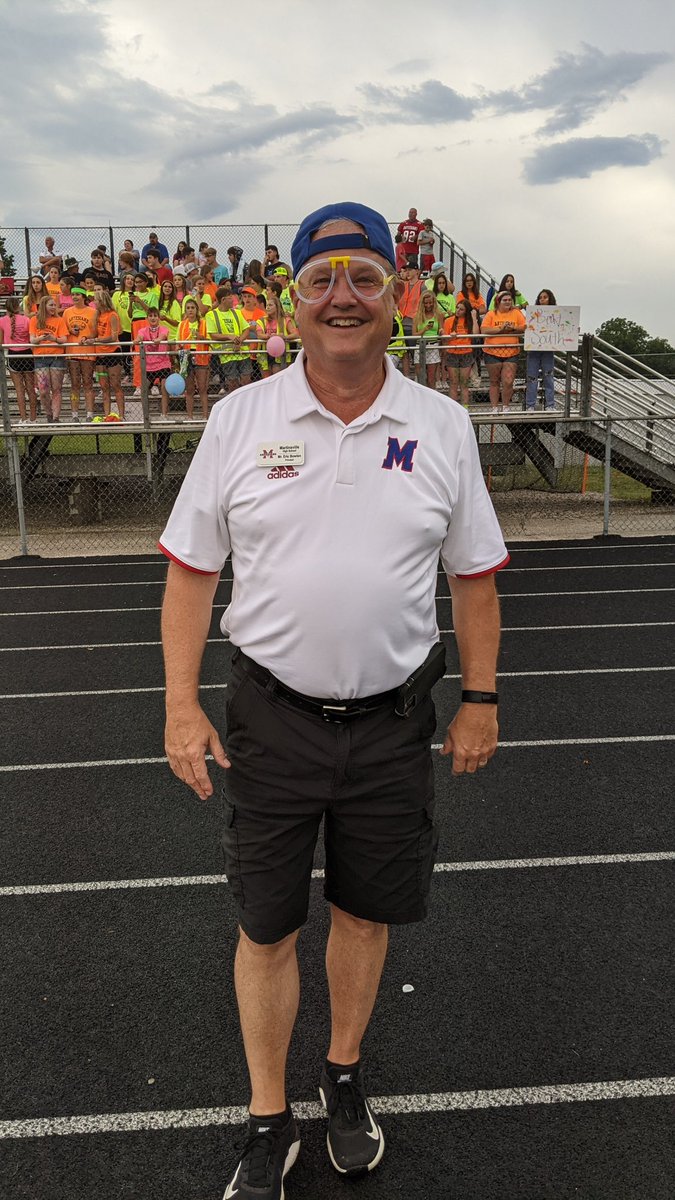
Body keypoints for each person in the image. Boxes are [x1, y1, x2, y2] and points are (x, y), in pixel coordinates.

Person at [159, 200, 507, 1199]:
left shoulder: (441, 424)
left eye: (363, 278)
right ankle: (268, 1116)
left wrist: (478, 698)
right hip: (271, 720)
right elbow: (191, 575)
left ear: (397, 297)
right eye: (322, 280)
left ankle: (343, 1077)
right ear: (293, 301)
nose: (341, 297)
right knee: (267, 925)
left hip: (396, 721)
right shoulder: (240, 418)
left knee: (363, 912)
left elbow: (474, 578)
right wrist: (182, 706)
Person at [481, 291, 526, 411]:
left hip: (511, 352)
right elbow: (484, 330)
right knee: (494, 381)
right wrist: (500, 329)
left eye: (509, 300)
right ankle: (494, 407)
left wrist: (513, 328)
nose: (507, 302)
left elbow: (525, 327)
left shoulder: (516, 313)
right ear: (498, 302)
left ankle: (506, 406)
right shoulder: (491, 314)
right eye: (504, 300)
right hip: (492, 352)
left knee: (508, 380)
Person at [205, 286, 252, 394]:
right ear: (223, 300)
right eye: (230, 298)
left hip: (242, 352)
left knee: (247, 380)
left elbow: (246, 329)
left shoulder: (237, 312)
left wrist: (239, 340)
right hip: (227, 355)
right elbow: (213, 335)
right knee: (232, 382)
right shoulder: (211, 315)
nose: (233, 300)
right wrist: (229, 336)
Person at [29, 295, 68, 421]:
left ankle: (56, 417)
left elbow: (64, 339)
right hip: (40, 357)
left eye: (54, 305)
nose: (53, 307)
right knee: (43, 389)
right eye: (51, 305)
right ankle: (48, 414)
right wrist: (41, 338)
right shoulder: (35, 320)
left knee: (56, 388)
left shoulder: (59, 320)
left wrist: (54, 339)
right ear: (44, 306)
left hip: (56, 357)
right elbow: (32, 339)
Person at [62, 287, 98, 420]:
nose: (75, 297)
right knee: (74, 385)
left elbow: (95, 332)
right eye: (73, 295)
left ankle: (89, 413)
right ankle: (75, 414)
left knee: (88, 383)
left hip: (87, 352)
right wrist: (71, 331)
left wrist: (87, 336)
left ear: (83, 296)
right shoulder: (66, 312)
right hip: (72, 352)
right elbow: (63, 330)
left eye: (77, 294)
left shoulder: (93, 312)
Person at [0, 298, 37, 423]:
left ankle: (23, 419)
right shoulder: (26, 319)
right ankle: (33, 418)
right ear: (17, 307)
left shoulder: (2, 321)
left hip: (13, 356)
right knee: (30, 388)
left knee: (19, 390)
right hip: (27, 354)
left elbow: (0, 342)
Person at [176, 298, 210, 420]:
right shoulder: (182, 324)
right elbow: (177, 342)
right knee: (189, 388)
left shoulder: (204, 323)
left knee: (202, 388)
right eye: (188, 308)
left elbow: (210, 341)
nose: (190, 310)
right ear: (185, 310)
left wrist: (201, 337)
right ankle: (189, 416)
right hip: (186, 356)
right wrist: (179, 346)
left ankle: (205, 416)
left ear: (196, 310)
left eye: (192, 308)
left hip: (201, 356)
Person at [135, 307, 172, 417]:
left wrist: (159, 339)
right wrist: (136, 340)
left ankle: (164, 414)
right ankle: (145, 414)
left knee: (164, 390)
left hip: (163, 363)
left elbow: (163, 336)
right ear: (147, 318)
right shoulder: (142, 330)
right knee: (144, 390)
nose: (153, 318)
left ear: (159, 318)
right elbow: (139, 337)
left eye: (155, 315)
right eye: (150, 316)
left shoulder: (164, 329)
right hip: (149, 366)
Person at [93, 291, 125, 418]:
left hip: (112, 352)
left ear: (102, 301)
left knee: (116, 384)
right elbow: (95, 334)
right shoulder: (97, 315)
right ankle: (107, 415)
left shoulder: (112, 315)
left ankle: (121, 415)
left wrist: (96, 340)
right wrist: (86, 338)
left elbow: (113, 336)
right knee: (104, 387)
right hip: (100, 354)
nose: (94, 302)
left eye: (96, 300)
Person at [525, 288, 558, 411]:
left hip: (548, 349)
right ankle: (530, 405)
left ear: (550, 299)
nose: (542, 299)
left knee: (548, 376)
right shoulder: (533, 314)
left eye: (545, 297)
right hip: (534, 348)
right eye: (540, 298)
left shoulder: (556, 313)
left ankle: (550, 405)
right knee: (532, 377)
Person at [443, 298, 480, 406]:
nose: (458, 311)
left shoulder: (469, 321)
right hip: (452, 353)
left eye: (461, 309)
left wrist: (474, 318)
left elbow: (476, 334)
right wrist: (450, 337)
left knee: (464, 384)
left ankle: (465, 408)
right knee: (454, 383)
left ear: (466, 311)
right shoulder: (449, 321)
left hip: (466, 353)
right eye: (457, 308)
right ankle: (453, 408)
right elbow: (444, 339)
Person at [412, 288, 443, 389]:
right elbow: (414, 335)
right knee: (420, 377)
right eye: (426, 303)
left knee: (431, 378)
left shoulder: (439, 315)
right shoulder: (417, 316)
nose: (428, 305)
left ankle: (431, 400)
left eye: (430, 303)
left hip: (433, 346)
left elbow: (441, 330)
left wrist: (442, 332)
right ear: (422, 303)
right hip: (420, 346)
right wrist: (424, 330)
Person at [112, 272, 135, 376]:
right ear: (124, 281)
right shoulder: (117, 294)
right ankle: (127, 373)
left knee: (132, 352)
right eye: (128, 279)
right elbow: (113, 311)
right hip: (122, 328)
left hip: (134, 327)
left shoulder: (136, 294)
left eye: (132, 279)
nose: (130, 281)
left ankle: (134, 373)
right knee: (124, 352)